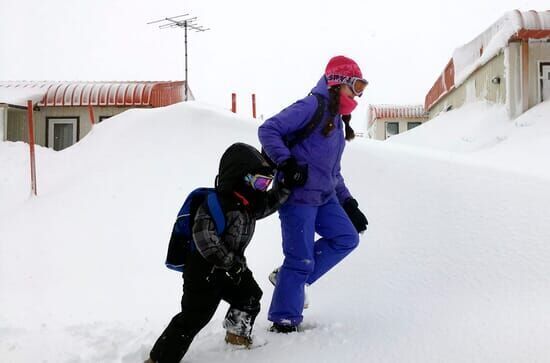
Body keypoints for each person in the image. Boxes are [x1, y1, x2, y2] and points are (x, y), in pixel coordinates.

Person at [146, 143, 290, 363]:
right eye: (260, 182)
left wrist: (286, 186)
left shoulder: (249, 204)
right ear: (241, 177)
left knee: (250, 296)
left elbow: (270, 203)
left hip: (232, 268)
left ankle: (236, 336)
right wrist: (229, 262)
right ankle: (160, 358)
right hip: (204, 271)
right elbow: (205, 238)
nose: (262, 188)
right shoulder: (214, 204)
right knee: (194, 317)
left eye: (266, 183)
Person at [258, 55, 369, 333]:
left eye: (362, 88)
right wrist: (287, 162)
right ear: (338, 83)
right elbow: (268, 129)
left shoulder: (337, 121)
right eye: (356, 86)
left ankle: (287, 279)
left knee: (346, 238)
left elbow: (333, 170)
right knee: (300, 259)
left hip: (325, 196)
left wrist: (349, 202)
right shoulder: (312, 106)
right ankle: (284, 320)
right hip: (298, 198)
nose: (358, 94)